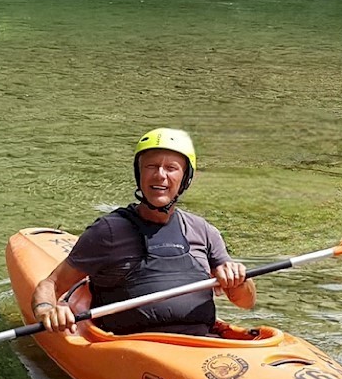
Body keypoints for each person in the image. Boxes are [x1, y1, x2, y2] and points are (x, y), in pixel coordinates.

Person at [34, 128, 252, 336]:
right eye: (151, 166)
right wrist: (47, 310)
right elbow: (51, 284)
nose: (160, 175)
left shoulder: (203, 231)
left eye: (171, 168)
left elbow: (246, 302)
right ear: (139, 173)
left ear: (185, 178)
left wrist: (239, 280)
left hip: (200, 347)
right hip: (131, 348)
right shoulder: (108, 231)